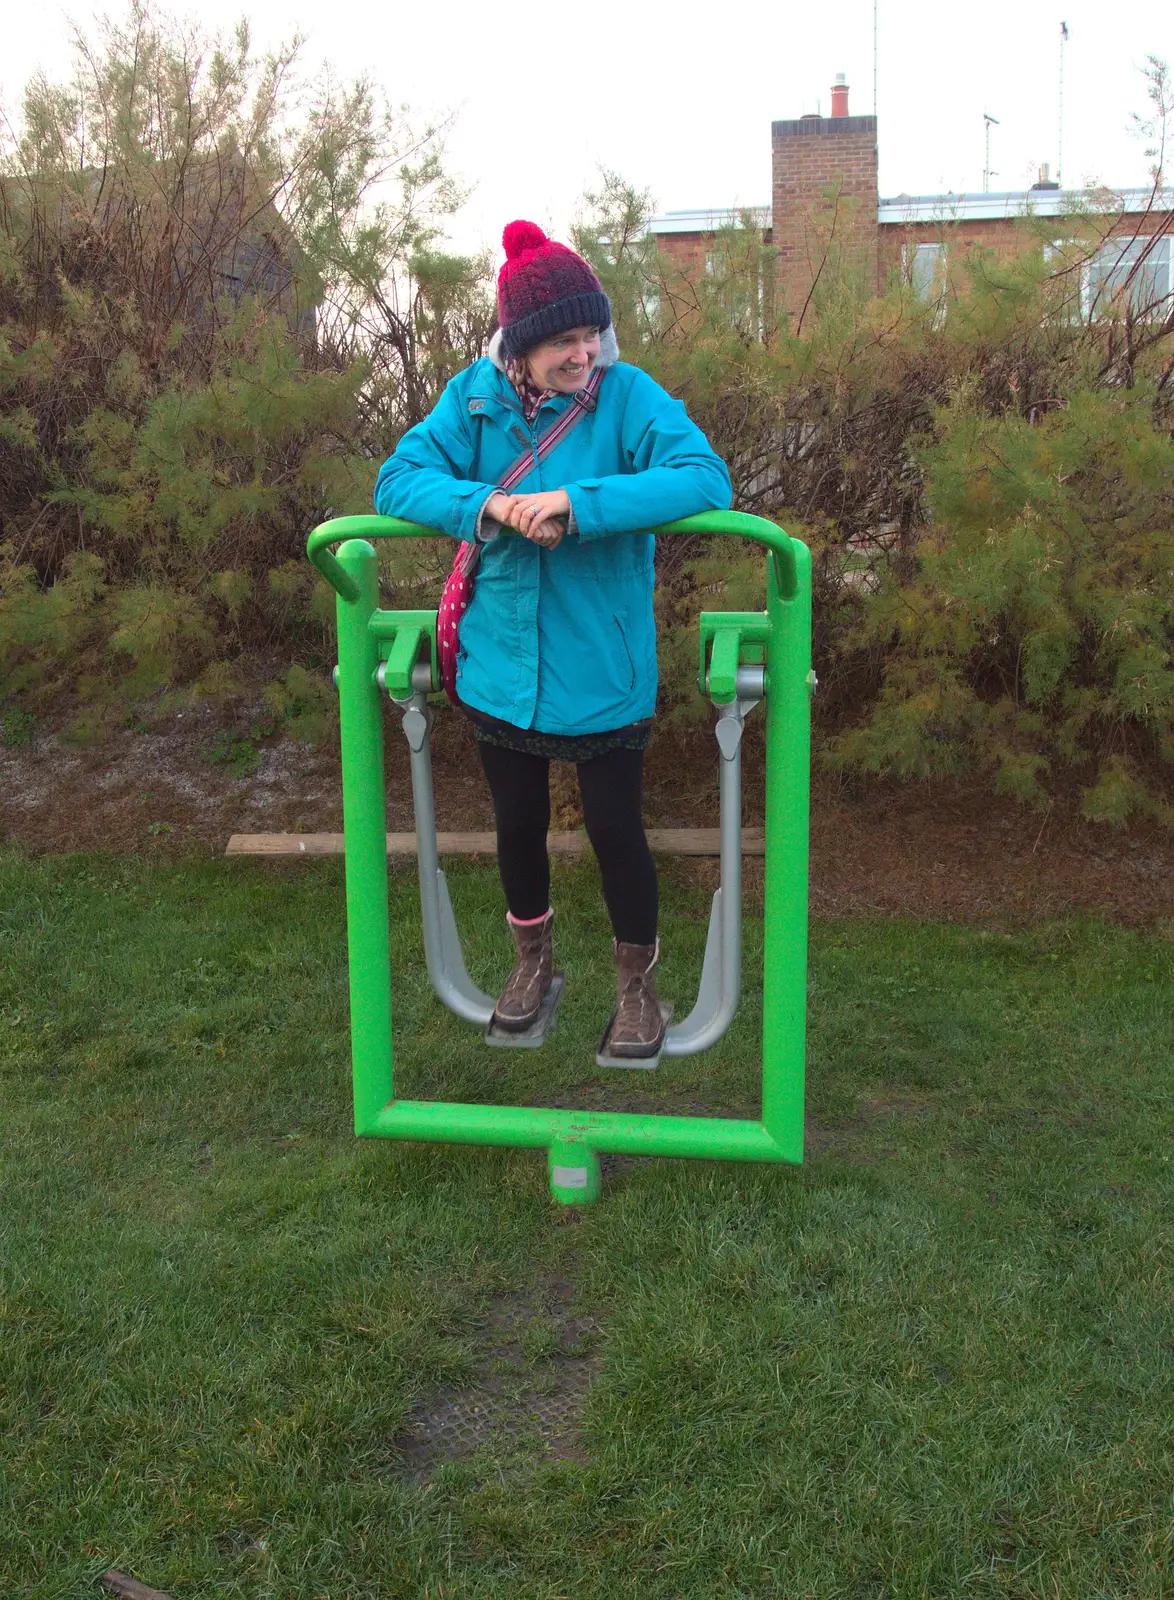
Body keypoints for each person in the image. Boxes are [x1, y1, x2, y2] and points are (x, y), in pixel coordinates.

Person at [374, 220, 731, 1058]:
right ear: (521, 345)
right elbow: (398, 478)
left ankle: (637, 988)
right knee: (516, 821)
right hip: (504, 660)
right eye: (564, 341)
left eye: (590, 334)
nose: (584, 355)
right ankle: (532, 965)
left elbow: (701, 475)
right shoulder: (474, 397)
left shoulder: (627, 393)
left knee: (613, 827)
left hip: (601, 658)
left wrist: (580, 504)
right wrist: (487, 507)